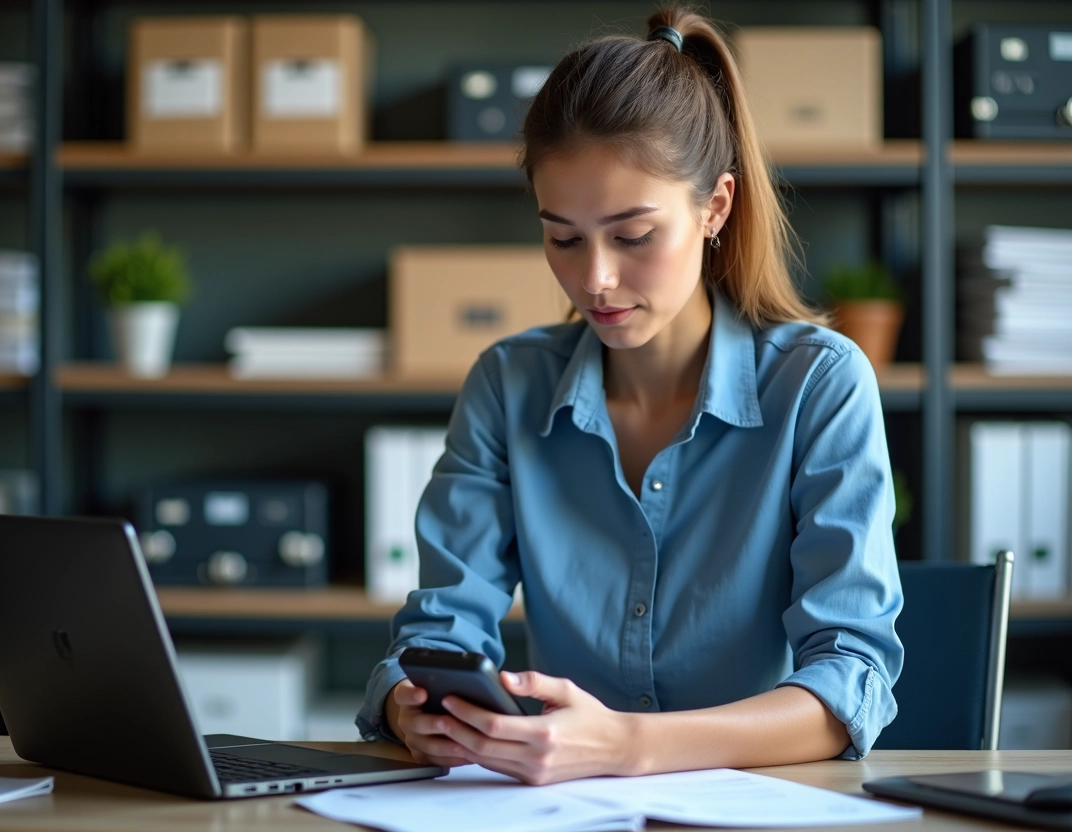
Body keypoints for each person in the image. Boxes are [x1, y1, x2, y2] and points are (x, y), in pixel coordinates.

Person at [356, 5, 904, 785]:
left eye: (633, 235)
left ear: (714, 207)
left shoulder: (820, 383)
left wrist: (627, 746)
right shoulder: (508, 385)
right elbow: (440, 630)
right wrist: (409, 703)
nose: (594, 280)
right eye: (563, 237)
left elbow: (850, 684)